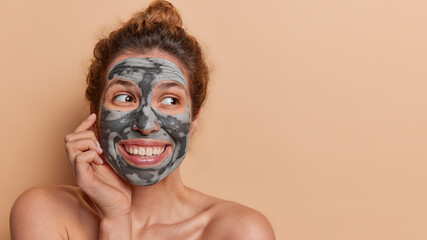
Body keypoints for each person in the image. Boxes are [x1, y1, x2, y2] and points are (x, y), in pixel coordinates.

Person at [10, 1, 276, 239]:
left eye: (171, 100)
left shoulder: (240, 232)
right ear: (96, 114)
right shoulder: (43, 213)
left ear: (193, 120)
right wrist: (116, 218)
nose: (146, 124)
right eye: (125, 98)